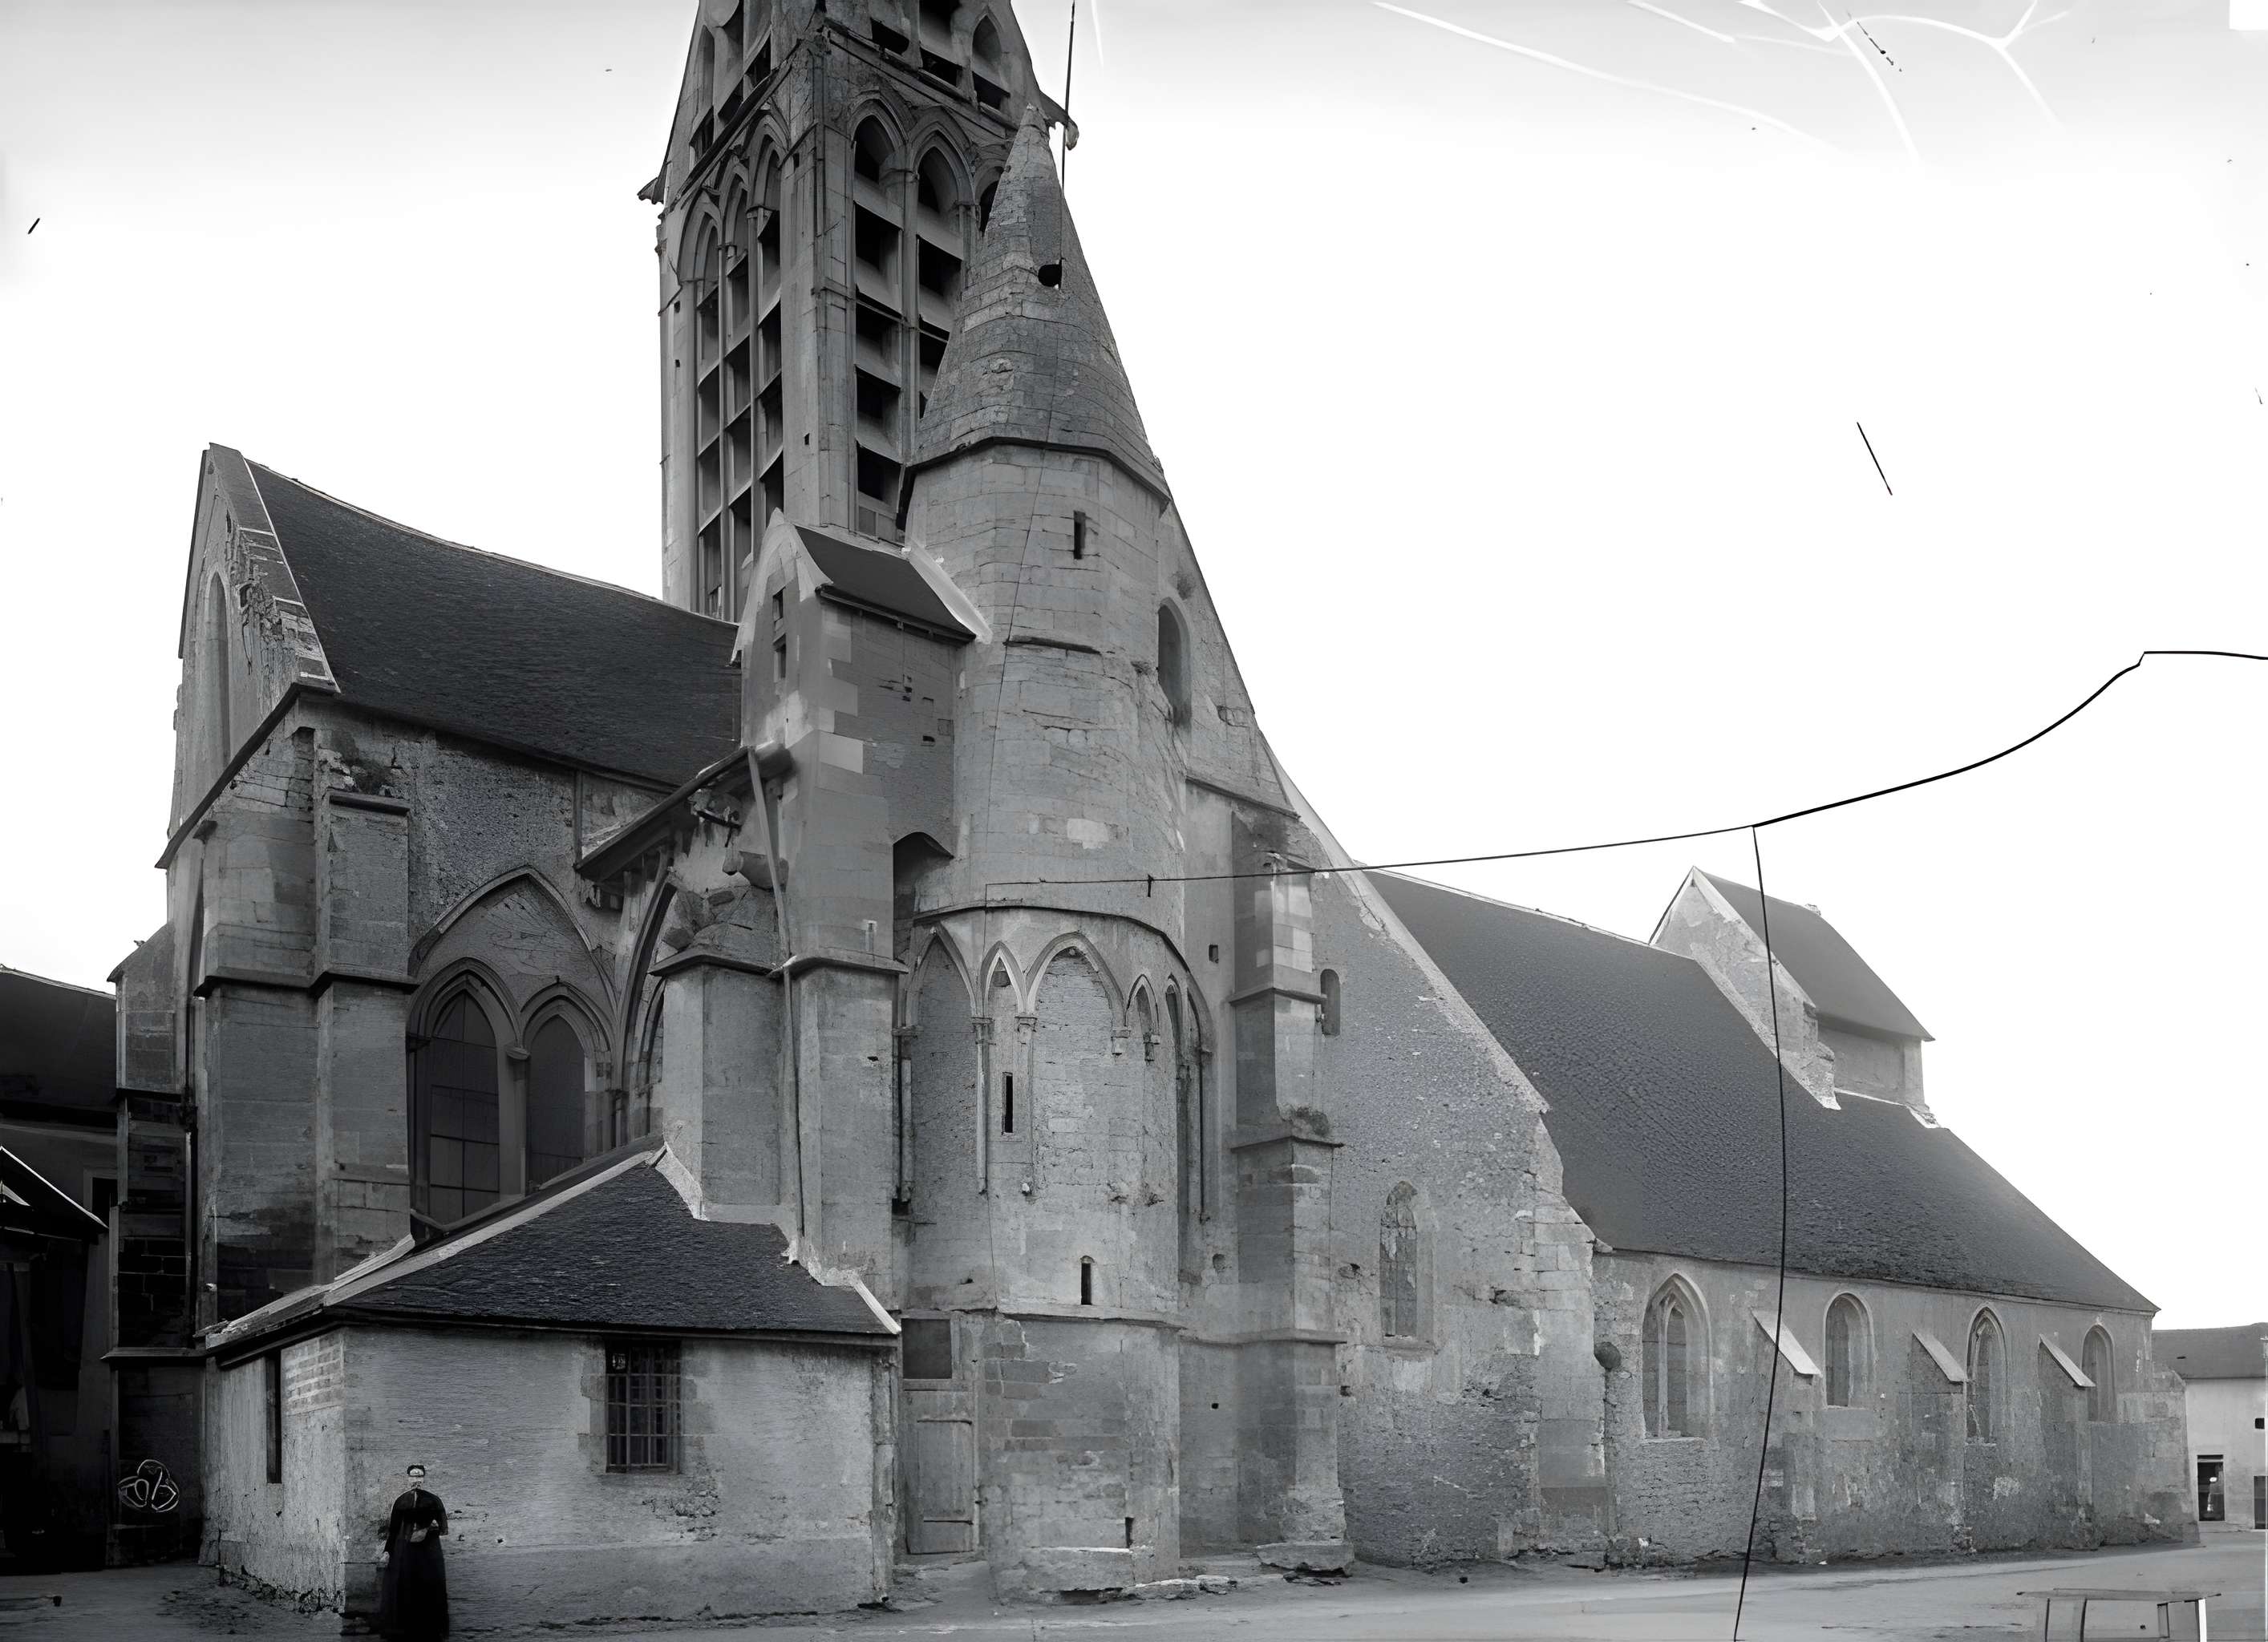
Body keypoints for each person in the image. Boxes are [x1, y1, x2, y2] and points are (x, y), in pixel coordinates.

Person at [376, 1462, 449, 1640]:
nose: (417, 1480)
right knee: (406, 1585)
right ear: (408, 1478)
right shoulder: (401, 1501)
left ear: (424, 1479)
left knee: (428, 1587)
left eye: (420, 1476)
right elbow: (393, 1530)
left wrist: (428, 1529)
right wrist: (387, 1552)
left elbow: (443, 1527)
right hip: (406, 1550)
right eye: (413, 1476)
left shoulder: (434, 1500)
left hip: (428, 1552)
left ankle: (430, 1628)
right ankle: (406, 1628)